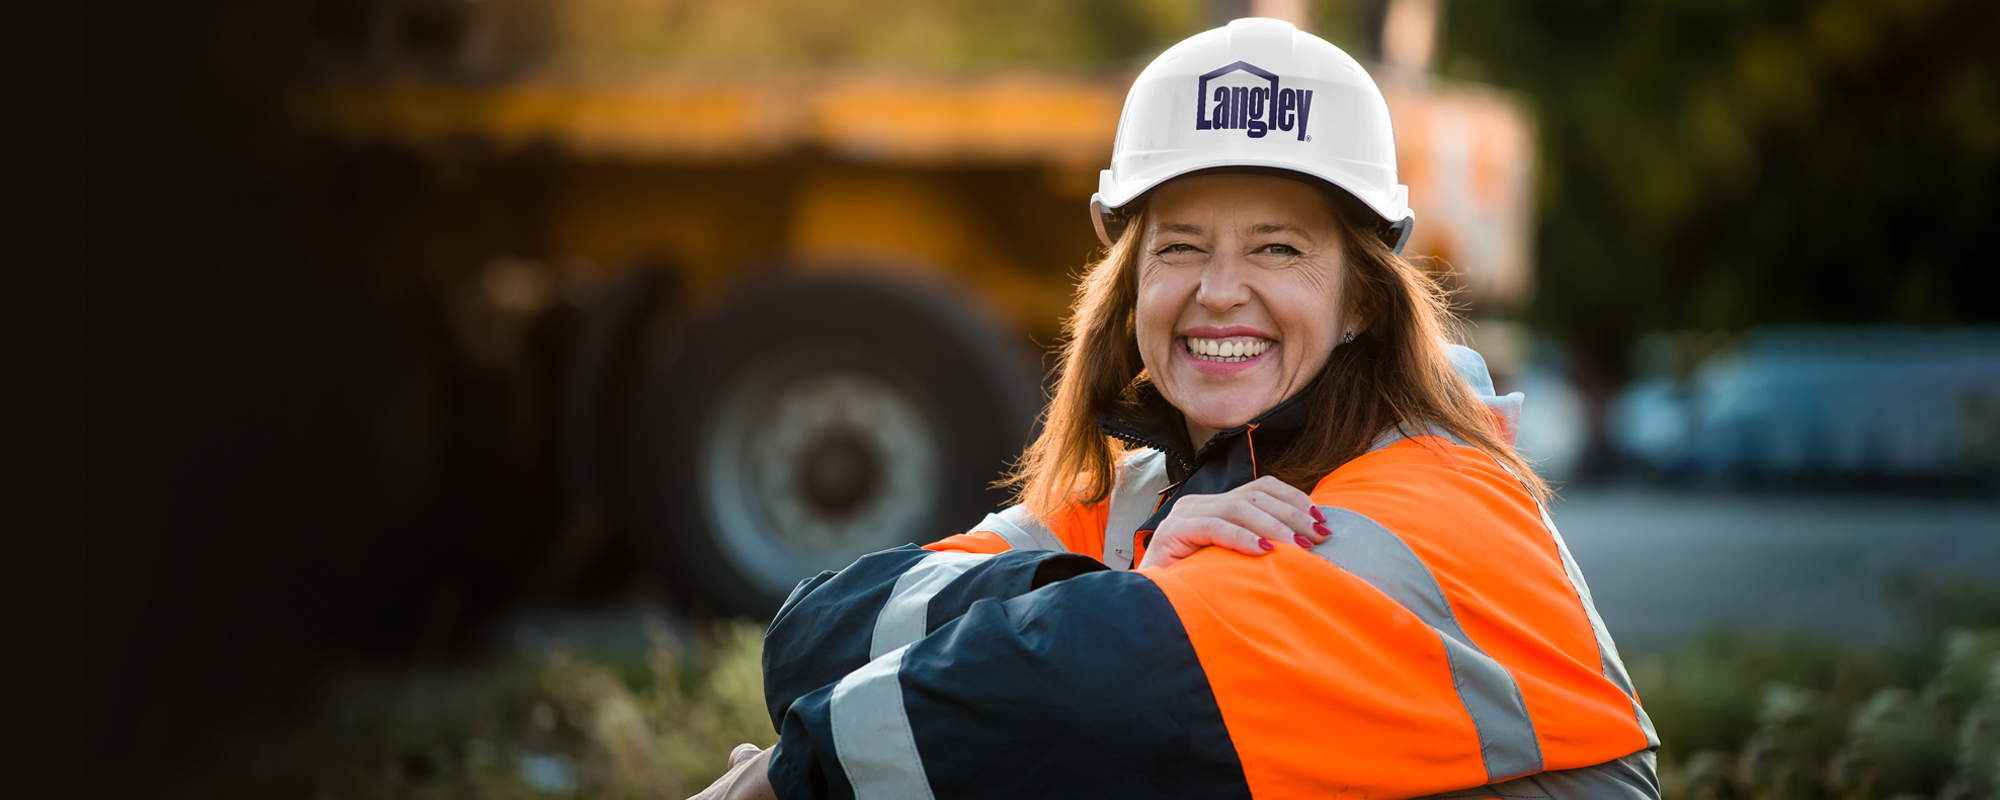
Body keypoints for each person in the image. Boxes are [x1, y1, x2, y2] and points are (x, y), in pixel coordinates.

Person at [694, 18, 1659, 800]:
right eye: (1182, 247)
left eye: (1277, 249)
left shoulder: (1430, 498)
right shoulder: (1154, 494)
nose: (1220, 292)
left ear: (1361, 297)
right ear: (1133, 278)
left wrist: (784, 781)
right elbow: (814, 633)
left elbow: (1083, 694)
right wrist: (1097, 583)